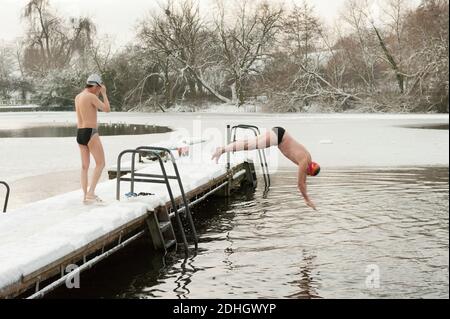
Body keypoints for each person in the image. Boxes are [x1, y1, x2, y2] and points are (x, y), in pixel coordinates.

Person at [212, 127, 320, 210]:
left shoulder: (307, 159)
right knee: (249, 145)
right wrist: (307, 199)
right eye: (308, 173)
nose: (305, 173)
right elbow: (301, 183)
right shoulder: (304, 162)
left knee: (249, 143)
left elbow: (303, 181)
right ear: (309, 170)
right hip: (280, 137)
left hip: (280, 133)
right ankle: (222, 150)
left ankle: (223, 149)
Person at [75, 74, 111, 204]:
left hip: (79, 133)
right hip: (90, 132)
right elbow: (107, 109)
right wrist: (104, 94)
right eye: (99, 88)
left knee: (84, 166)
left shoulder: (78, 96)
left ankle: (85, 196)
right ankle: (91, 193)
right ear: (96, 85)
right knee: (101, 163)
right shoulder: (91, 96)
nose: (98, 90)